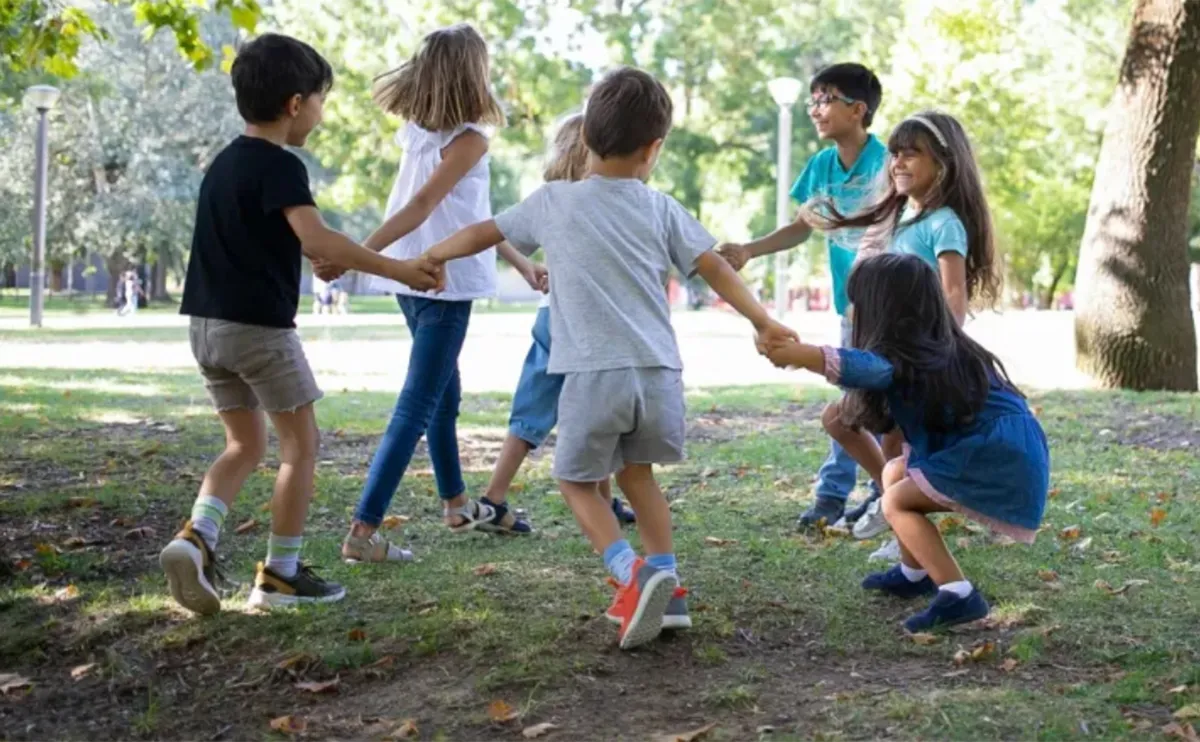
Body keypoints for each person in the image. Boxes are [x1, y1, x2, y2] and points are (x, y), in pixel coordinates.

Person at [422, 67, 798, 649]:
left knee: (574, 479)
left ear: (586, 140)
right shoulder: (660, 207)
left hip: (594, 374)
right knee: (638, 478)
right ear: (654, 150)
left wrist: (436, 254)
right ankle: (667, 589)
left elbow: (483, 232)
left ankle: (632, 573)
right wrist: (764, 320)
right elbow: (716, 266)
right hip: (659, 375)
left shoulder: (554, 201)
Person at [159, 33, 443, 615]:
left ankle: (197, 538)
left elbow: (276, 240)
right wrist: (399, 268)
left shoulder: (223, 164)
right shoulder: (281, 166)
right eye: (319, 100)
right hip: (259, 332)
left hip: (206, 329)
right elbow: (316, 238)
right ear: (295, 104)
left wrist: (321, 255)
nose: (320, 111)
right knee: (300, 447)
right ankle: (280, 575)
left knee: (242, 444)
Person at [340, 24, 547, 562]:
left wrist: (522, 264)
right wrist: (355, 253)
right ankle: (363, 532)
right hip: (440, 282)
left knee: (444, 396)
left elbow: (473, 216)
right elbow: (420, 208)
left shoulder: (419, 132)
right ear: (472, 72)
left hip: (413, 278)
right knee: (419, 403)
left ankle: (457, 504)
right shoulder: (470, 139)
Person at [762, 253, 1048, 631]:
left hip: (994, 455)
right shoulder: (934, 349)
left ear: (884, 310)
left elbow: (867, 367)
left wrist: (803, 356)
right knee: (895, 473)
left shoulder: (907, 357)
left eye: (857, 303)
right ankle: (914, 574)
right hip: (999, 450)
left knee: (896, 500)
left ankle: (959, 595)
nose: (850, 311)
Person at [812, 111, 1001, 554]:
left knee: (896, 442)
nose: (897, 162)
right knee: (840, 420)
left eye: (911, 153)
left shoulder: (945, 224)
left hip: (919, 359)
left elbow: (954, 294)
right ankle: (890, 500)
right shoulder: (900, 220)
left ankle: (902, 527)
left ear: (944, 164)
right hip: (887, 355)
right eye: (894, 153)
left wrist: (944, 353)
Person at [716, 63, 887, 531]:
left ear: (858, 109)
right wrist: (749, 250)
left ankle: (845, 494)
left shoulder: (888, 163)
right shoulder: (821, 167)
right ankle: (872, 491)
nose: (816, 109)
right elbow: (800, 227)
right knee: (855, 399)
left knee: (861, 401)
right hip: (848, 307)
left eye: (825, 99)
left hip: (888, 308)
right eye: (812, 100)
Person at [480, 113, 637, 533]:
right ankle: (601, 502)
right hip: (585, 323)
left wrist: (529, 266)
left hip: (550, 317)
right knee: (597, 407)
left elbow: (497, 232)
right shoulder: (605, 199)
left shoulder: (551, 198)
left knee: (533, 409)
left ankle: (495, 497)